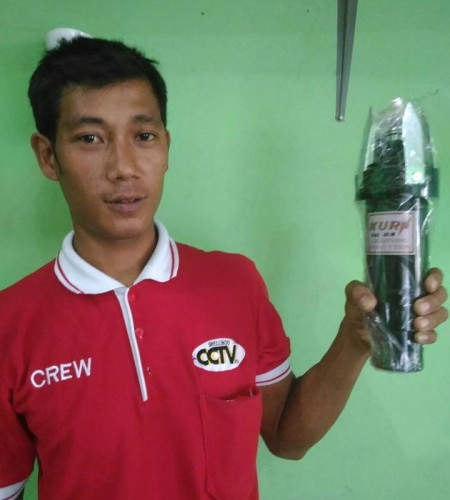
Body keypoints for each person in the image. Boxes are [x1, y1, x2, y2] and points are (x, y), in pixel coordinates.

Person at [0, 37, 447, 500]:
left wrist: (356, 339)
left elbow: (287, 438)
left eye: (143, 136)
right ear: (48, 156)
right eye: (90, 138)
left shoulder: (234, 283)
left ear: (166, 147)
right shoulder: (10, 323)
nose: (124, 168)